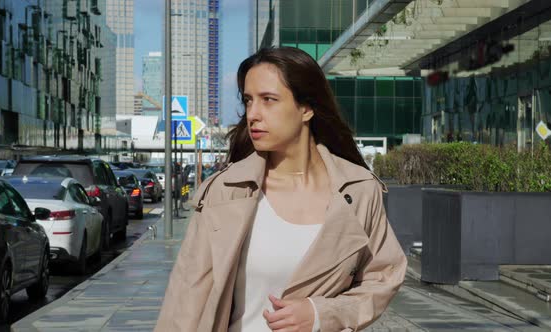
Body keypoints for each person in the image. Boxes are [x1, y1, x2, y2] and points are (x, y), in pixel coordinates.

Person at [155, 47, 407, 332]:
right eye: (249, 101)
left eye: (269, 100)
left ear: (307, 108)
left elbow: (384, 276)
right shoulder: (225, 191)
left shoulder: (358, 190)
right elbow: (186, 299)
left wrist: (323, 313)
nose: (253, 114)